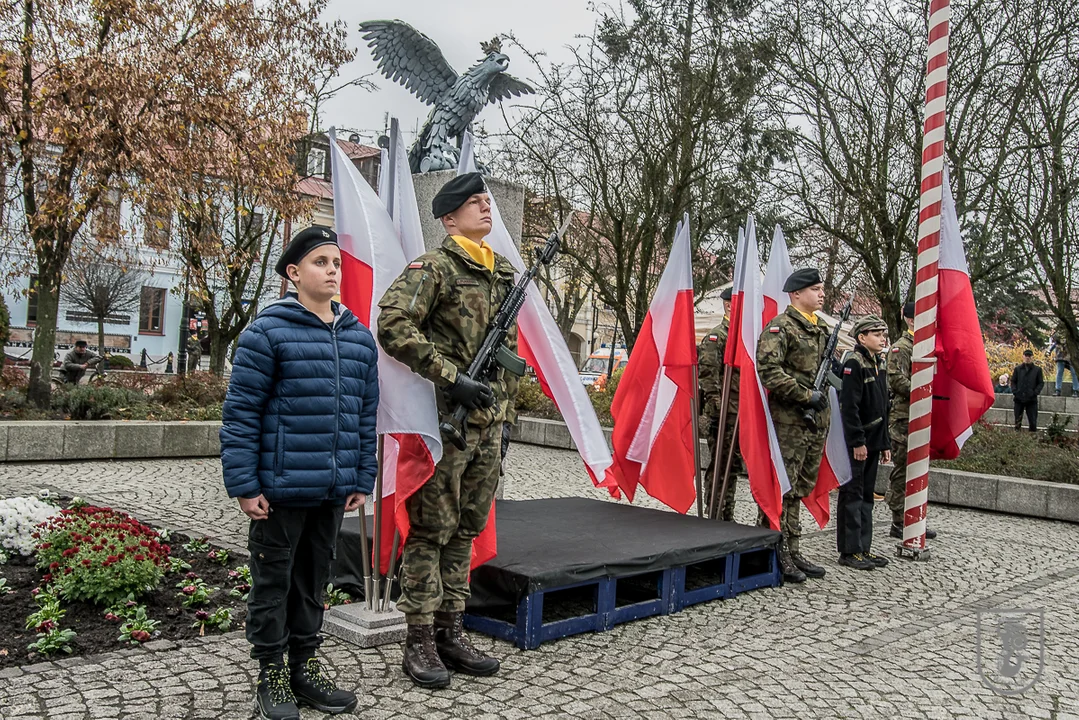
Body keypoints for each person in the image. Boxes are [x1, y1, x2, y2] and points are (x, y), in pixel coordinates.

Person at [220, 225, 377, 720]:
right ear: (294, 273)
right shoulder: (267, 332)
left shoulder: (358, 338)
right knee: (273, 583)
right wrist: (245, 485)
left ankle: (305, 667)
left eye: (336, 263)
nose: (332, 271)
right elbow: (241, 412)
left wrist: (360, 476)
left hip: (331, 489)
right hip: (280, 490)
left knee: (314, 581)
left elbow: (365, 415)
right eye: (320, 262)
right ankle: (272, 674)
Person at [378, 172, 521, 689]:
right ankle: (417, 639)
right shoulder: (434, 267)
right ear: (448, 218)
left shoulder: (502, 272)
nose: (487, 209)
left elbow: (510, 357)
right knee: (431, 530)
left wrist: (507, 417)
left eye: (488, 202)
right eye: (476, 203)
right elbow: (392, 323)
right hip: (446, 424)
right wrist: (450, 378)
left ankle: (450, 630)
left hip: (489, 423)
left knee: (466, 528)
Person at [756, 268, 831, 584]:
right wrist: (805, 396)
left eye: (821, 289)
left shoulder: (822, 329)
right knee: (782, 487)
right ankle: (772, 548)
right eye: (815, 289)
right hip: (790, 419)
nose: (822, 294)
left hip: (815, 422)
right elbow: (768, 371)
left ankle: (794, 547)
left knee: (801, 486)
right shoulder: (781, 328)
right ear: (796, 293)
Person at [836, 315, 891, 571]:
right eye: (877, 334)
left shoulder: (878, 363)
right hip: (858, 442)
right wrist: (857, 441)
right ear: (861, 338)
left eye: (883, 334)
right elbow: (850, 408)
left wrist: (885, 443)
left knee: (867, 496)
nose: (882, 339)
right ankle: (850, 550)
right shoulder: (854, 363)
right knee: (853, 495)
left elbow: (882, 406)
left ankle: (864, 547)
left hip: (873, 441)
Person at [886, 302, 936, 541]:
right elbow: (897, 380)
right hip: (904, 417)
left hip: (921, 414)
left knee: (917, 468)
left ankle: (914, 517)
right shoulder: (901, 348)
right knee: (903, 469)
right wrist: (922, 389)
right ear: (909, 320)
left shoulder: (925, 346)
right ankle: (898, 519)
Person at [698, 286, 742, 521]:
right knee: (721, 466)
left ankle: (727, 513)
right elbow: (708, 374)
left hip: (739, 411)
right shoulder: (718, 336)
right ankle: (715, 513)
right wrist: (717, 408)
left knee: (733, 466)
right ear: (728, 305)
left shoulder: (742, 336)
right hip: (724, 413)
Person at [1011, 349, 1044, 432]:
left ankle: (1032, 439)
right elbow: (1013, 381)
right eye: (1026, 356)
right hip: (1019, 398)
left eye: (1029, 356)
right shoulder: (1018, 369)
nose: (1027, 358)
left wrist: (1035, 392)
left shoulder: (1037, 370)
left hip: (1031, 399)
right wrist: (1015, 392)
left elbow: (1040, 383)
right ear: (1023, 356)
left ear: (1032, 357)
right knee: (1017, 421)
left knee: (1033, 422)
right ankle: (1016, 438)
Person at [1050, 331, 1078, 397]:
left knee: (1074, 372)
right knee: (1059, 372)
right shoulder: (1058, 331)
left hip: (1071, 355)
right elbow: (1054, 339)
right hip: (1060, 355)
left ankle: (1076, 390)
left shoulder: (1072, 329)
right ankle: (1057, 389)